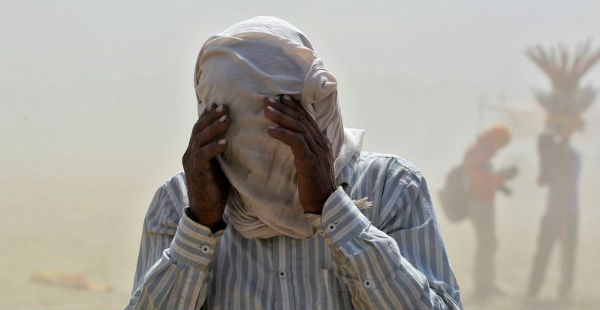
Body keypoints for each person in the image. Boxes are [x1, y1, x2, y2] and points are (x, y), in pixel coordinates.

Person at [126, 16, 461, 310]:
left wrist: (334, 211)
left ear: (316, 111)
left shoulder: (390, 187)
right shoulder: (178, 203)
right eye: (235, 129)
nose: (259, 154)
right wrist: (199, 225)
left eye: (280, 128)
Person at [527, 115, 582, 299]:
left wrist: (559, 147)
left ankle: (564, 292)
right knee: (544, 255)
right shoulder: (552, 161)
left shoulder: (572, 157)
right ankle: (533, 290)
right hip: (554, 215)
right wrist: (546, 157)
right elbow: (541, 180)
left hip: (568, 214)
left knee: (567, 257)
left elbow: (567, 179)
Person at [463, 125, 517, 299]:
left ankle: (488, 283)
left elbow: (484, 178)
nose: (499, 149)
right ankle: (482, 286)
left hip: (482, 203)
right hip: (481, 204)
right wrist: (503, 176)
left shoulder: (480, 152)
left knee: (489, 243)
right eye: (501, 145)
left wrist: (501, 184)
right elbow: (481, 182)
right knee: (486, 244)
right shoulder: (479, 154)